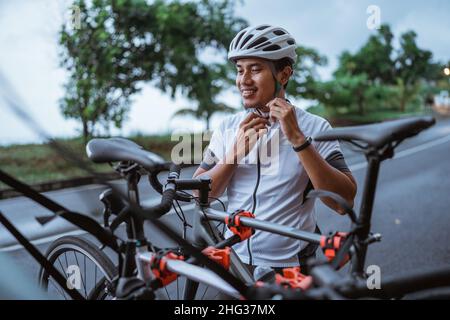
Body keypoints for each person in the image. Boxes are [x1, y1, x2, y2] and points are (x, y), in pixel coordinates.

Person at [192, 25, 357, 275]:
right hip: (236, 260)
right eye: (239, 70)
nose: (244, 80)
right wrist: (234, 155)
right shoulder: (228, 127)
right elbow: (198, 192)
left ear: (283, 74)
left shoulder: (315, 126)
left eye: (255, 69)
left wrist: (299, 140)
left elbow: (343, 203)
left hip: (293, 265)